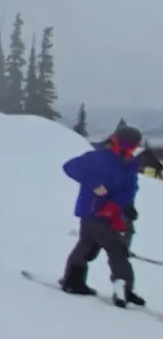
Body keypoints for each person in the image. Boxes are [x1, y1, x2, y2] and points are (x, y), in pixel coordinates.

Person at [60, 125, 145, 307]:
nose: (132, 149)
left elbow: (130, 187)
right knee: (116, 249)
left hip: (113, 213)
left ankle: (73, 280)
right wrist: (94, 184)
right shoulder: (99, 157)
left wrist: (124, 205)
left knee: (88, 245)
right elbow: (70, 167)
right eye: (129, 144)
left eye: (134, 146)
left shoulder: (130, 163)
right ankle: (123, 288)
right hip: (94, 211)